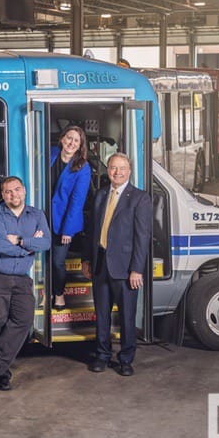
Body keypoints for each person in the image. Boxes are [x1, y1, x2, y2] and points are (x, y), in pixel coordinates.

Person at [81, 153, 151, 377]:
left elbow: (142, 237)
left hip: (125, 269)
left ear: (129, 171)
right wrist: (87, 259)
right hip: (100, 264)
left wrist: (136, 269)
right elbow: (91, 231)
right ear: (107, 170)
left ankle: (125, 359)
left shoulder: (139, 198)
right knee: (101, 315)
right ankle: (102, 355)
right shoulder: (101, 194)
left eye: (122, 168)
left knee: (127, 317)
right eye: (113, 168)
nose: (117, 172)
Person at [0, 176, 50, 391]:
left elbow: (46, 242)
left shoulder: (37, 215)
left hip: (22, 278)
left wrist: (20, 240)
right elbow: (1, 246)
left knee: (24, 319)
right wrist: (31, 244)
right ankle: (1, 373)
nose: (14, 195)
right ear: (3, 195)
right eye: (8, 192)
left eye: (17, 190)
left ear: (25, 191)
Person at [49, 126, 92, 310]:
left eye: (76, 140)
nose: (71, 143)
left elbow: (77, 201)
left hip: (64, 220)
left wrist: (68, 229)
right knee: (43, 258)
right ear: (62, 139)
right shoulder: (50, 154)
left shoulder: (82, 167)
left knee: (58, 261)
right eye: (69, 138)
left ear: (80, 145)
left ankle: (59, 294)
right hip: (43, 217)